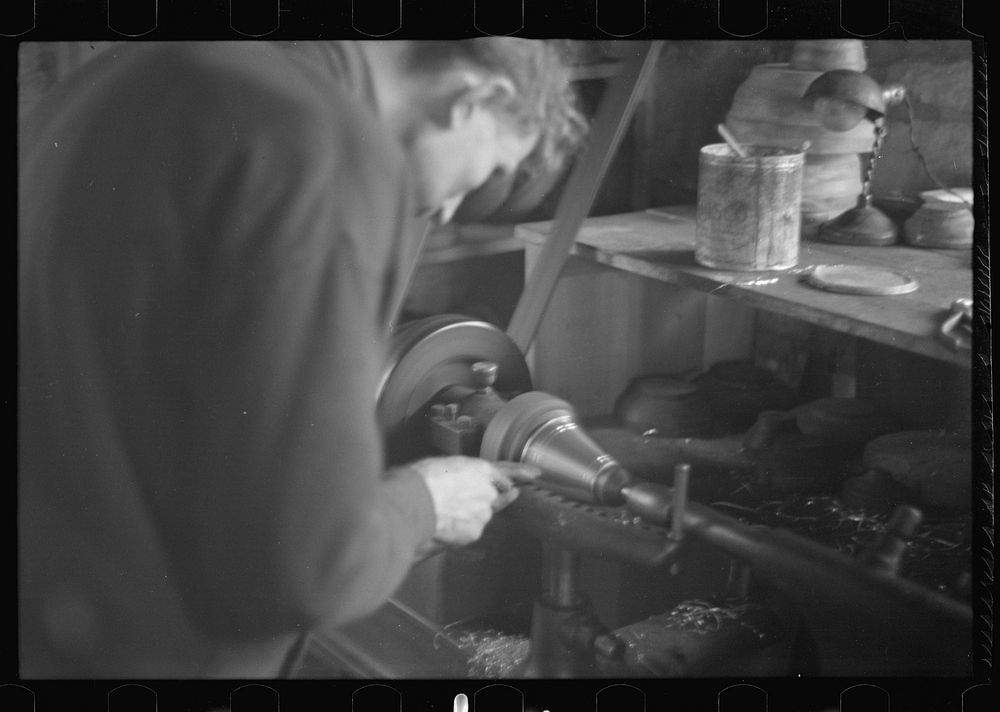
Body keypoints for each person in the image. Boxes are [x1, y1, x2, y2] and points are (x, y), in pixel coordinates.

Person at [18, 39, 585, 678]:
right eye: (486, 179)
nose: (449, 208)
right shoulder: (320, 143)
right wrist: (423, 503)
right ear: (478, 100)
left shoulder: (111, 80)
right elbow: (305, 567)